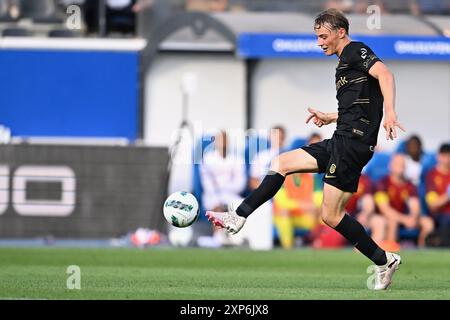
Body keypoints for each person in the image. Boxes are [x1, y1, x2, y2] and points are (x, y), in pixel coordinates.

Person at [206, 8, 404, 290]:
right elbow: (362, 104)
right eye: (317, 37)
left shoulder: (354, 51)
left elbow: (385, 74)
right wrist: (331, 116)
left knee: (331, 216)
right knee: (282, 162)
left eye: (323, 36)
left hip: (353, 144)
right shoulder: (343, 63)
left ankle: (384, 260)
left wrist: (391, 113)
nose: (320, 42)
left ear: (341, 32)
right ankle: (238, 216)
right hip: (341, 138)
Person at [375, 154, 434, 248]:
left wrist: (413, 217)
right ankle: (391, 251)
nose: (401, 166)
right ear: (391, 165)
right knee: (392, 221)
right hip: (387, 217)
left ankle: (422, 249)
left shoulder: (410, 185)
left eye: (403, 164)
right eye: (398, 164)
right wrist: (404, 219)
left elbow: (415, 205)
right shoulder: (382, 183)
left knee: (427, 222)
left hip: (405, 217)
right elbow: (385, 210)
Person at [199, 130, 247, 247]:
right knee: (218, 207)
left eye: (225, 140)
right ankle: (218, 238)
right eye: (220, 140)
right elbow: (207, 184)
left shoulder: (237, 159)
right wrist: (221, 189)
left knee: (242, 207)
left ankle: (236, 238)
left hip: (232, 195)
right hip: (212, 196)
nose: (223, 143)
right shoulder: (207, 159)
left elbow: (240, 184)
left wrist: (221, 185)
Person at [425, 143, 450, 245]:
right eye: (444, 155)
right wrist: (448, 195)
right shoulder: (432, 176)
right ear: (438, 156)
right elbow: (433, 205)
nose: (447, 159)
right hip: (441, 215)